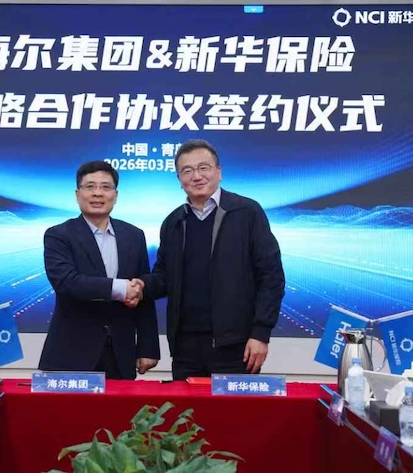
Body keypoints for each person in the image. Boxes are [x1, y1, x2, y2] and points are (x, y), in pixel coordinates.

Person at [143, 140, 285, 380]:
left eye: (204, 168)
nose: (196, 176)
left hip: (236, 347)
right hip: (185, 348)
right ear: (179, 179)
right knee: (185, 406)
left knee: (234, 406)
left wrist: (260, 333)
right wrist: (137, 286)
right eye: (187, 170)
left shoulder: (247, 212)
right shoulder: (173, 222)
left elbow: (271, 276)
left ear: (219, 171)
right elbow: (164, 278)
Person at [38, 160, 160, 379]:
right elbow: (66, 282)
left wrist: (147, 347)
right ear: (78, 194)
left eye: (105, 187)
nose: (98, 193)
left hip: (120, 354)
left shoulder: (134, 235)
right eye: (90, 186)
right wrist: (122, 289)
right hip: (71, 353)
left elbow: (143, 293)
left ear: (115, 195)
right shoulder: (58, 235)